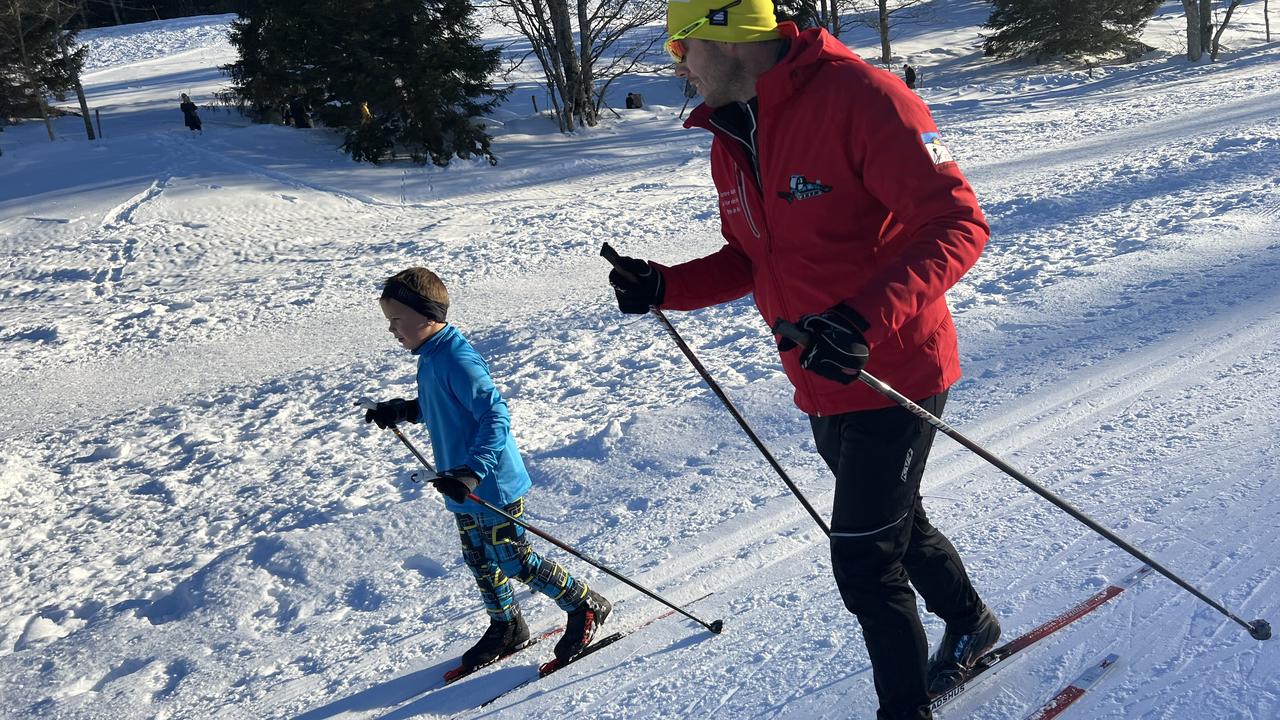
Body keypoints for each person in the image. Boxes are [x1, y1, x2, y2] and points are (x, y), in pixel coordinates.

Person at [607, 2, 997, 718]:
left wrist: (860, 318)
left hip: (893, 369)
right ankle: (974, 622)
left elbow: (958, 222)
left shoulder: (864, 98)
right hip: (818, 380)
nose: (678, 67)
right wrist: (665, 285)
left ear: (723, 36)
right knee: (896, 524)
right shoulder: (732, 132)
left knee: (863, 559)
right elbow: (752, 257)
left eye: (679, 48)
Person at [364, 267, 612, 676]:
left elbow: (495, 416)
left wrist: (473, 471)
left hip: (488, 484)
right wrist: (404, 410)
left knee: (514, 561)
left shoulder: (457, 358)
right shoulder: (430, 355)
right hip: (460, 484)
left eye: (396, 321)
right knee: (479, 558)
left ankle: (584, 603)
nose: (392, 330)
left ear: (425, 316)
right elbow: (443, 404)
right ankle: (506, 625)